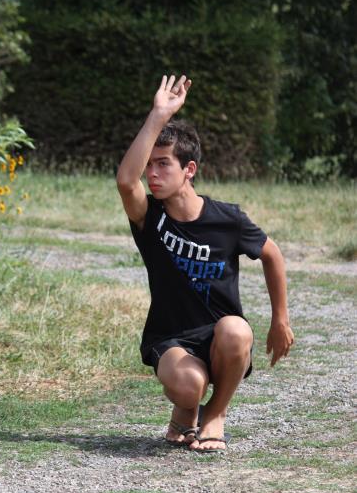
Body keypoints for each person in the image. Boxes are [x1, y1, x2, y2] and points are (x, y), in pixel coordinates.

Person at [116, 74, 294, 453]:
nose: (153, 173)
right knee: (189, 383)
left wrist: (280, 319)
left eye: (163, 164)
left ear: (189, 170)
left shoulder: (227, 219)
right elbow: (125, 180)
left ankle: (214, 415)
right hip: (171, 340)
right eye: (150, 165)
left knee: (236, 330)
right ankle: (186, 410)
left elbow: (272, 255)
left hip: (219, 339)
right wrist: (158, 115)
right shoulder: (151, 218)